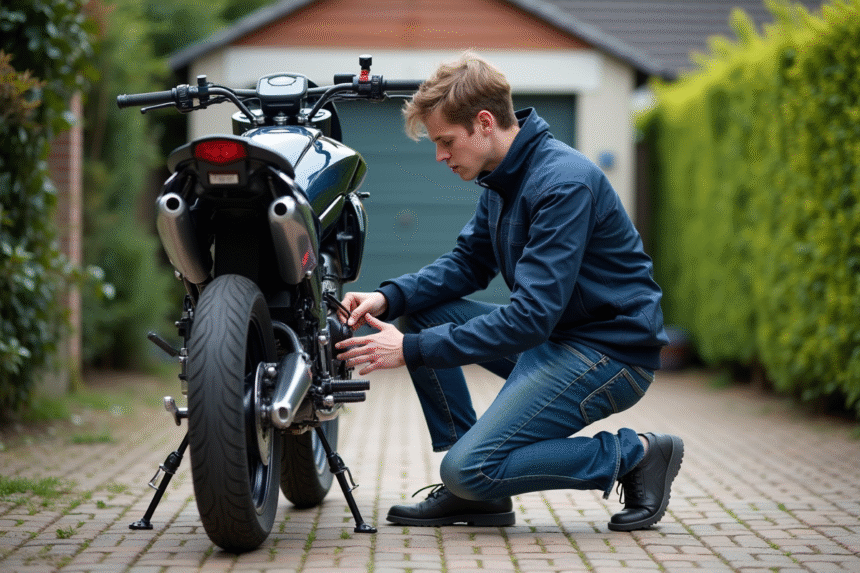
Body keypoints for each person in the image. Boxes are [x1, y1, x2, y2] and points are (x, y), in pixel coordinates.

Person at [335, 51, 683, 532]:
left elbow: (529, 319)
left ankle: (636, 454)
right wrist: (389, 298)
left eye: (445, 141)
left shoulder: (563, 183)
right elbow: (467, 265)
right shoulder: (501, 179)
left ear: (483, 123)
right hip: (558, 342)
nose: (440, 156)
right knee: (423, 309)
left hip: (609, 354)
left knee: (468, 467)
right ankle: (473, 498)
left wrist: (409, 350)